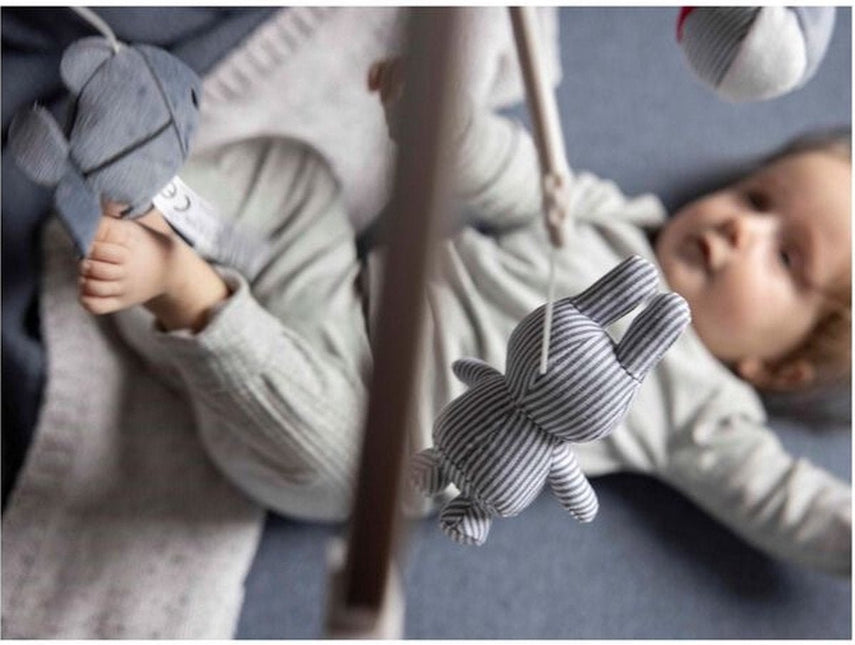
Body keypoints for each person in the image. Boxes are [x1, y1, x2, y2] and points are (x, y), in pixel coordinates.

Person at [76, 58, 851, 576]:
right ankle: (141, 192)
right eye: (756, 197)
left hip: (362, 434)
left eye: (786, 258)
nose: (743, 228)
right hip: (339, 292)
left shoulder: (709, 413)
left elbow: (793, 507)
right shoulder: (612, 220)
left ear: (778, 366)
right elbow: (516, 174)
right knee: (299, 174)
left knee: (348, 461)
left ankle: (186, 292)